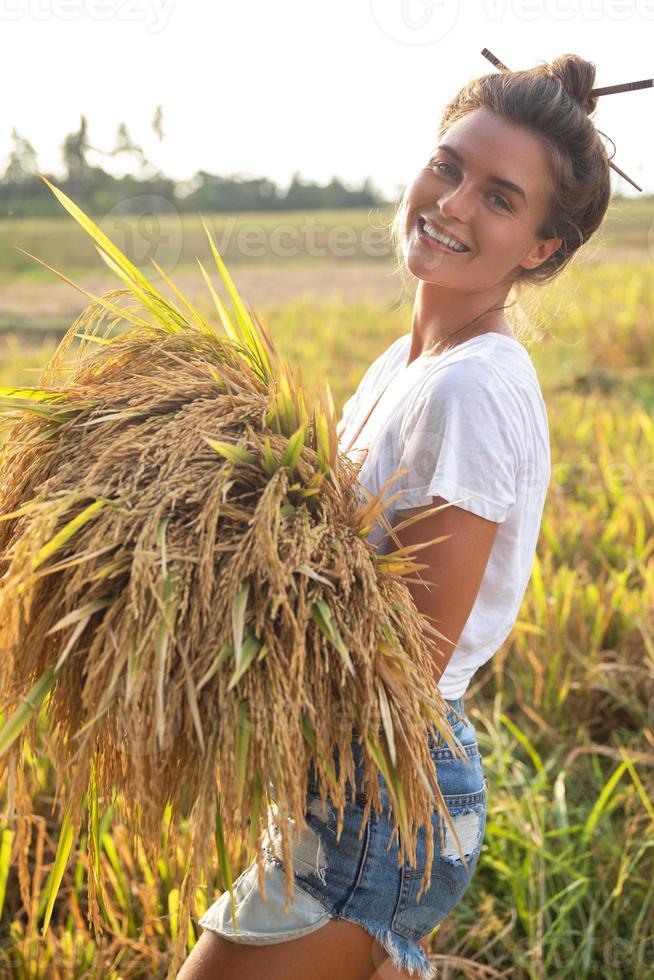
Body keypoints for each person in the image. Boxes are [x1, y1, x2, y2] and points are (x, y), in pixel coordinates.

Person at [178, 51, 614, 980]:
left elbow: (399, 662)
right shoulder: (408, 364)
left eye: (500, 199)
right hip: (349, 770)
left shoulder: (473, 390)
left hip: (381, 786)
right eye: (449, 166)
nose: (452, 204)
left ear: (541, 248)